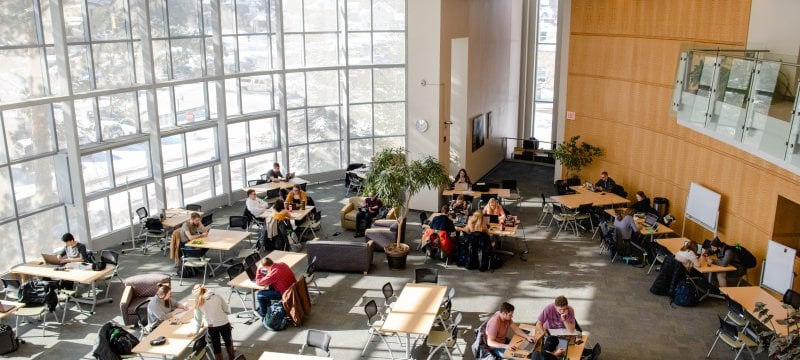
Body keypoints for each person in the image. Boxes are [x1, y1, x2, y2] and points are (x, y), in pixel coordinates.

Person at [191, 284, 234, 360]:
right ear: (206, 289)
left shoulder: (198, 303)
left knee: (216, 346)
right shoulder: (217, 296)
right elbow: (226, 309)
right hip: (224, 323)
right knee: (228, 341)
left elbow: (198, 320)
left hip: (212, 326)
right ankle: (231, 357)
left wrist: (196, 331)